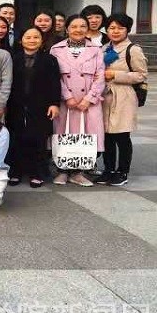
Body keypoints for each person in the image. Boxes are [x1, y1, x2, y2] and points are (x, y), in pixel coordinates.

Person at [49, 14, 106, 187]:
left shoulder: (96, 49)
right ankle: (62, 170)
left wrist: (89, 99)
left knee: (84, 135)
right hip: (65, 101)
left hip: (87, 102)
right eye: (74, 26)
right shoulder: (56, 49)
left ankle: (78, 172)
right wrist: (67, 96)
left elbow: (100, 76)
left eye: (82, 26)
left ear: (87, 29)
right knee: (63, 134)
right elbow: (53, 76)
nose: (78, 30)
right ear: (67, 29)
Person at [96, 14, 148, 186]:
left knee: (122, 136)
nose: (115, 31)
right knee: (107, 136)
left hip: (124, 96)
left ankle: (122, 171)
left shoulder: (133, 49)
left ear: (127, 30)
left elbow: (141, 74)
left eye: (120, 28)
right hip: (105, 96)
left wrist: (115, 74)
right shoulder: (104, 48)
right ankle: (109, 169)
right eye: (112, 28)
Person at [6, 28, 61, 187]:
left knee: (39, 138)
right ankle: (16, 172)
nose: (32, 40)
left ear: (41, 40)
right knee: (16, 138)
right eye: (28, 37)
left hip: (41, 105)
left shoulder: (50, 60)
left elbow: (55, 83)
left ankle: (37, 173)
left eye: (36, 37)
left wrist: (54, 103)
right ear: (21, 40)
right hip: (16, 104)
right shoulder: (13, 58)